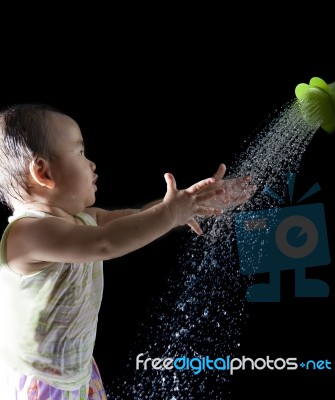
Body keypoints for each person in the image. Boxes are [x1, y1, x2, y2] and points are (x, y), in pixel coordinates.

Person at [0, 103, 256, 399]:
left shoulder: (85, 220)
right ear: (43, 172)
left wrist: (186, 205)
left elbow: (135, 219)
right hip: (42, 383)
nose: (92, 164)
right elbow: (106, 243)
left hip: (76, 370)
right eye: (81, 153)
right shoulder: (29, 232)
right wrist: (170, 214)